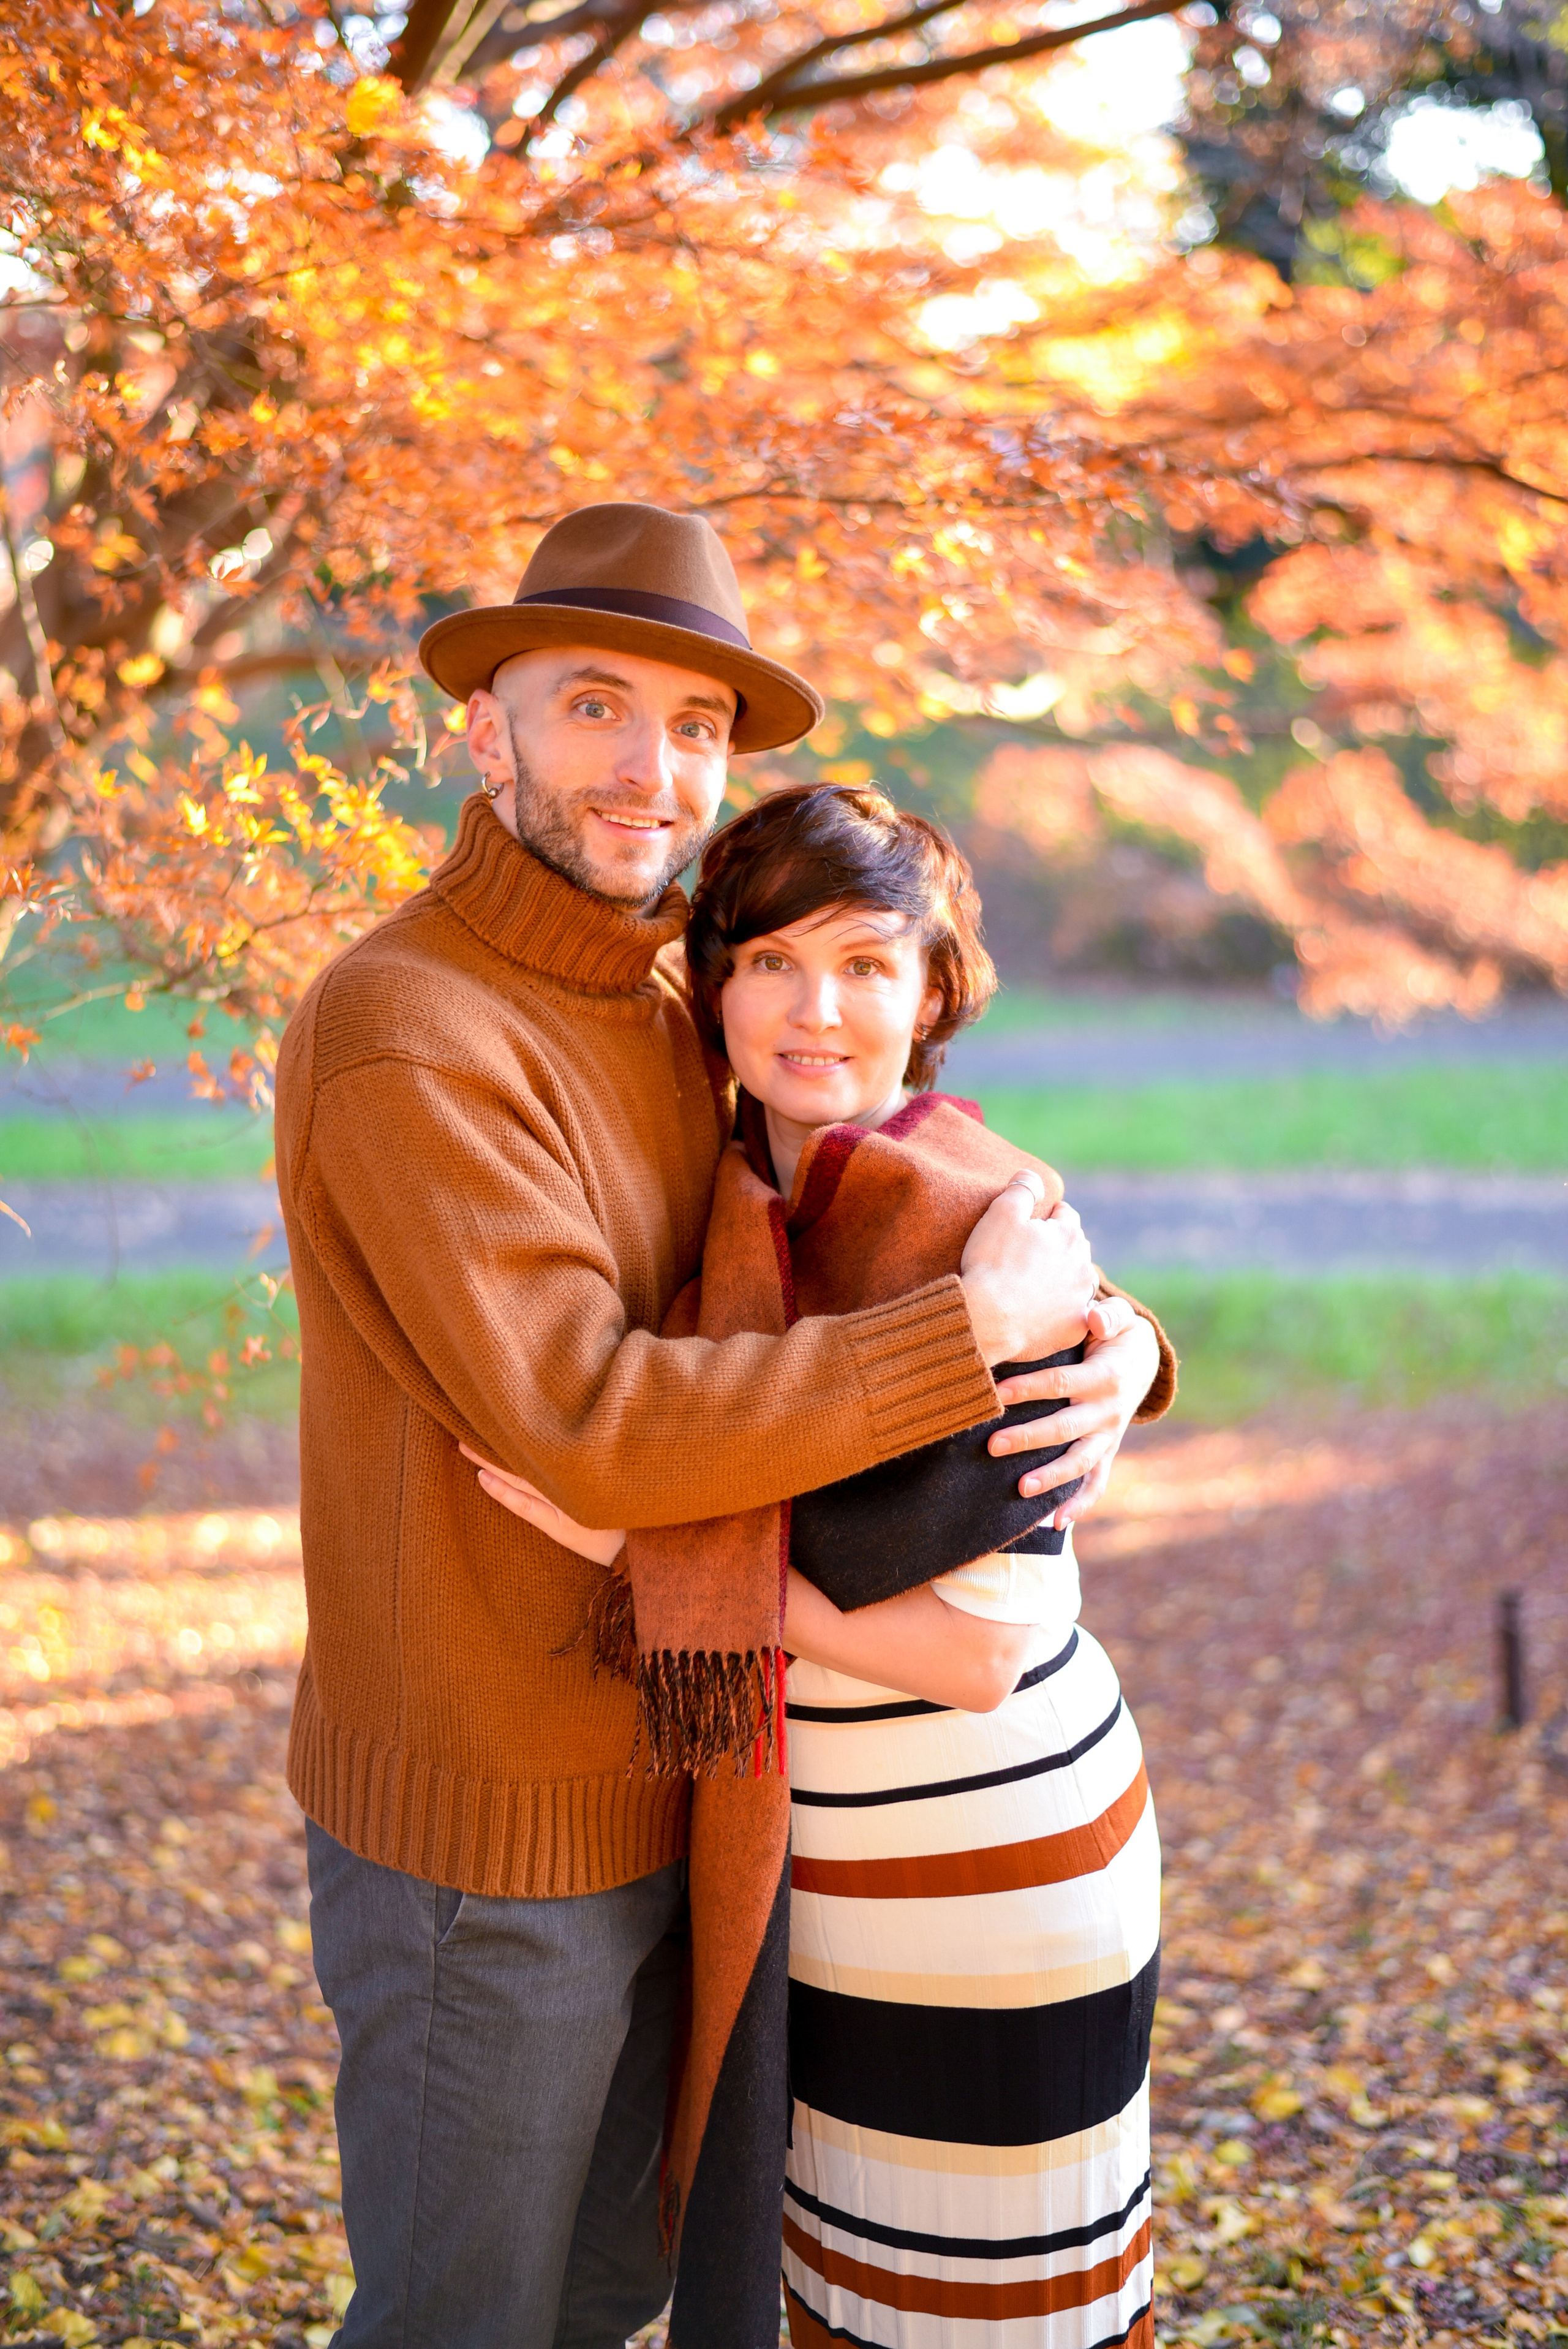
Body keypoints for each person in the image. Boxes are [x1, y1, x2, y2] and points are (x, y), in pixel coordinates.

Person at [274, 501, 1169, 2349]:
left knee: (611, 2294)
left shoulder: (673, 1004)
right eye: (594, 707)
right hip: (492, 1831)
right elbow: (591, 1423)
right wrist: (964, 1338)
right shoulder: (408, 1028)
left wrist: (1112, 1341)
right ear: (486, 732)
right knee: (471, 2318)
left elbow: (901, 1181)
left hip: (701, 1784)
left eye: (692, 728)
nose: (648, 766)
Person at [477, 784, 1168, 2349]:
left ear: (932, 996)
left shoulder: (978, 1214)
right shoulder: (740, 1195)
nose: (815, 1010)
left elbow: (979, 1652)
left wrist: (638, 1550)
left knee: (984, 2308)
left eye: (866, 965)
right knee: (845, 2299)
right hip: (825, 1861)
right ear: (711, 980)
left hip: (990, 1863)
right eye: (771, 960)